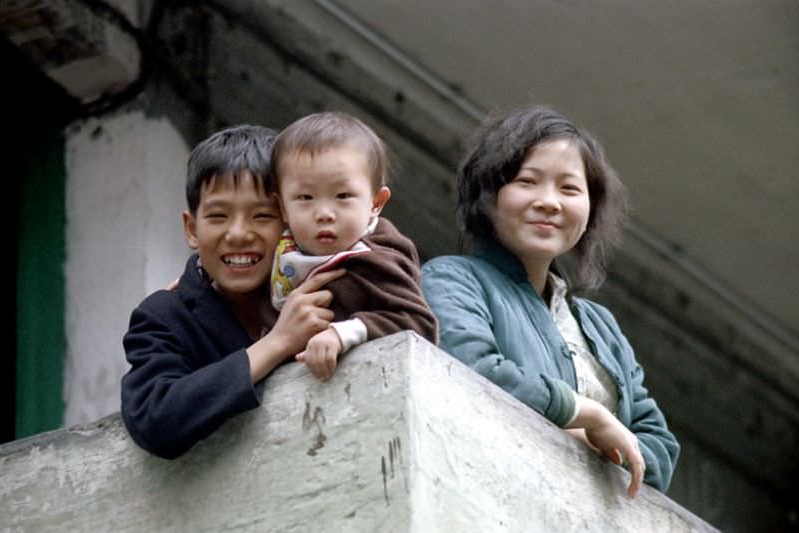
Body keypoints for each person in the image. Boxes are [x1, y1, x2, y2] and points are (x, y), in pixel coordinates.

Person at [421, 106, 679, 497]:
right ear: (488, 196)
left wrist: (594, 445)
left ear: (590, 211)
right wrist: (581, 412)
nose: (549, 202)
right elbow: (469, 370)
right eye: (528, 181)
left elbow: (659, 450)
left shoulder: (601, 326)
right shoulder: (453, 279)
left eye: (569, 189)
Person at [121, 125, 344, 459]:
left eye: (262, 215)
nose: (239, 234)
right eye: (218, 216)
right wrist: (278, 342)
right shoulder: (166, 316)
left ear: (290, 221)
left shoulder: (327, 285)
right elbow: (155, 417)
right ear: (192, 229)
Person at [269, 111, 438, 381]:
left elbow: (420, 325)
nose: (324, 213)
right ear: (282, 208)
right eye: (305, 197)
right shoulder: (284, 253)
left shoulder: (378, 260)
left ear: (376, 203)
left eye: (343, 196)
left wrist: (344, 333)